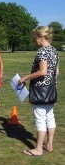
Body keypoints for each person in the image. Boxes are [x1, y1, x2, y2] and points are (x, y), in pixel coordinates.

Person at [18, 26, 59, 156]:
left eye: (35, 37)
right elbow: (56, 72)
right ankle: (49, 145)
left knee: (40, 118)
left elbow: (42, 71)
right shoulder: (54, 50)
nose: (35, 40)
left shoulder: (42, 51)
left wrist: (25, 77)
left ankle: (38, 149)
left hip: (41, 90)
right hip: (52, 88)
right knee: (50, 116)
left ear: (41, 37)